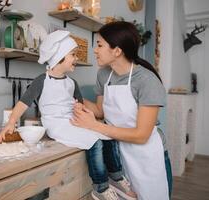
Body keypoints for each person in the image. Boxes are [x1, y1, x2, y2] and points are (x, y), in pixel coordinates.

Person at [0, 30, 135, 200]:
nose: (76, 58)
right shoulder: (42, 80)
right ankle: (100, 186)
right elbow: (23, 102)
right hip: (55, 124)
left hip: (72, 120)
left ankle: (116, 176)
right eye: (73, 55)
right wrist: (11, 122)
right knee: (95, 141)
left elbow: (79, 105)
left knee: (109, 135)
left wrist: (80, 110)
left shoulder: (72, 83)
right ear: (59, 57)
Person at [71, 21, 170, 200]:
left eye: (100, 45)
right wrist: (73, 97)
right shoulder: (103, 75)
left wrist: (94, 126)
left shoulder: (147, 81)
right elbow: (101, 111)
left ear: (117, 51)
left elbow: (142, 135)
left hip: (144, 157)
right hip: (116, 154)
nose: (95, 50)